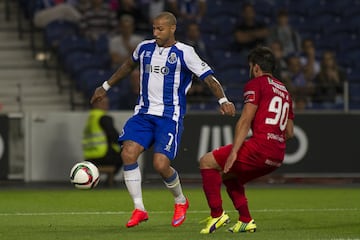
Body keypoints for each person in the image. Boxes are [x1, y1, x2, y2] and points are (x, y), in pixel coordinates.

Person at [90, 11, 236, 228]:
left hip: (169, 117)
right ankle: (139, 208)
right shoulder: (144, 48)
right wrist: (106, 86)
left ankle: (180, 201)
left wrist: (223, 100)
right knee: (128, 154)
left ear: (172, 29)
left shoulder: (185, 53)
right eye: (154, 28)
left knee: (160, 164)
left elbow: (208, 78)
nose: (155, 33)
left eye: (160, 29)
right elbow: (128, 65)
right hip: (143, 114)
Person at [199, 47, 294, 234]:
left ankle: (217, 214)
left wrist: (235, 151)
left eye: (251, 67)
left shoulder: (256, 83)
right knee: (229, 175)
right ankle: (245, 220)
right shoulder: (284, 91)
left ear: (256, 67)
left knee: (207, 162)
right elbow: (289, 132)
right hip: (277, 154)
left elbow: (245, 120)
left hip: (260, 148)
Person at [82, 95, 122, 185]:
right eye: (104, 103)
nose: (106, 106)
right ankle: (110, 180)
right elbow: (114, 136)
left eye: (107, 103)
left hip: (89, 157)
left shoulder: (91, 118)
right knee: (125, 153)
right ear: (96, 104)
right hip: (102, 156)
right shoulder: (104, 117)